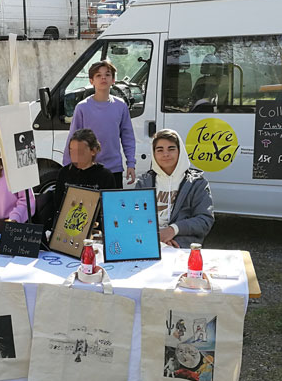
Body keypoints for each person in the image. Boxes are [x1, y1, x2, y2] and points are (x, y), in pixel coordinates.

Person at [62, 60, 136, 188]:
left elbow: (127, 137)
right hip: (87, 168)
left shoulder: (121, 106)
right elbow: (72, 139)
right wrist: (68, 167)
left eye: (107, 75)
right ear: (91, 81)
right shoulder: (82, 107)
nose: (103, 78)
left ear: (113, 80)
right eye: (98, 75)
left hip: (114, 169)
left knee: (113, 207)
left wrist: (131, 163)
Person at [136, 129, 214, 248]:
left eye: (171, 149)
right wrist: (155, 238)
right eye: (160, 150)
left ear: (180, 151)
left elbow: (204, 220)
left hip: (180, 244)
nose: (165, 154)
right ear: (154, 153)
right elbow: (135, 217)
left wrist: (173, 230)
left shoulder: (197, 183)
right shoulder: (144, 182)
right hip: (148, 242)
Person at [52, 129, 116, 220]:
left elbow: (109, 209)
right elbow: (58, 205)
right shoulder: (64, 173)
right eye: (71, 150)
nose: (75, 155)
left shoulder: (105, 176)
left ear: (93, 151)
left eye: (80, 151)